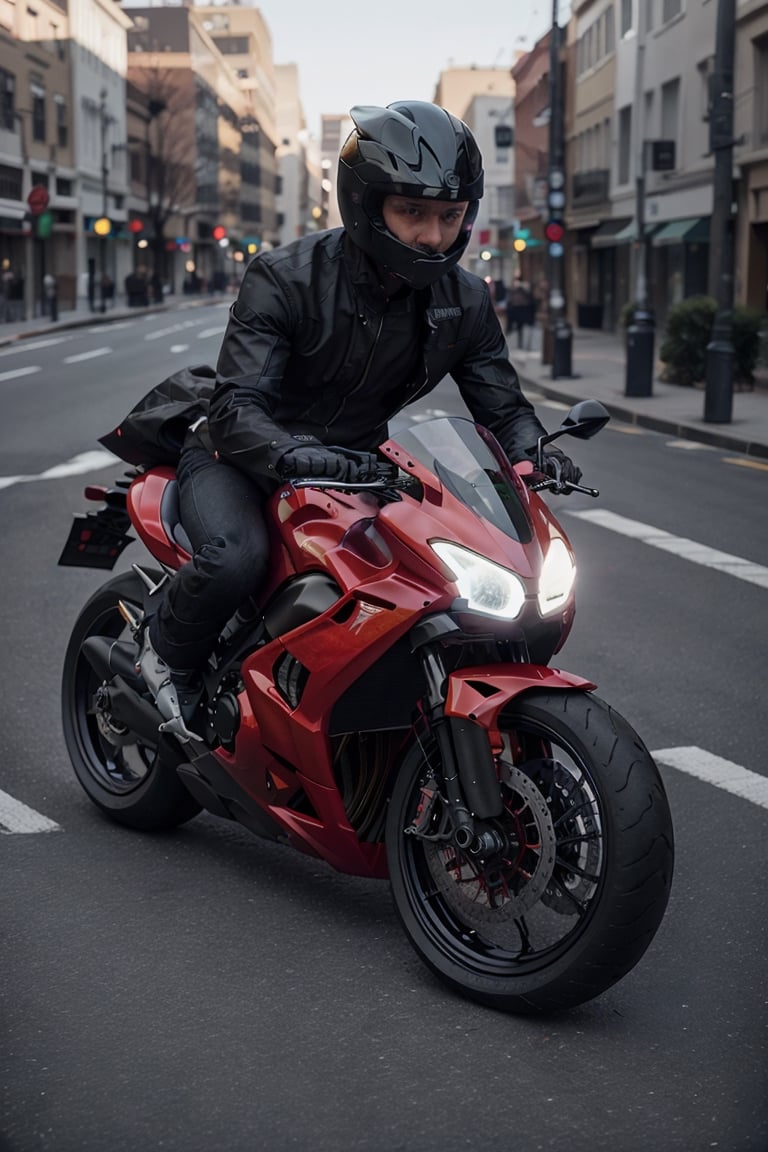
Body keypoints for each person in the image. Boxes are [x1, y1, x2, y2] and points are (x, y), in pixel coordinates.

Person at [137, 100, 582, 742]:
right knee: (238, 557)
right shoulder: (284, 279)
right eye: (414, 214)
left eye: (450, 216)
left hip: (360, 468)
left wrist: (535, 453)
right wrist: (297, 456)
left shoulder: (467, 301)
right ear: (367, 205)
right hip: (240, 459)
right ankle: (165, 652)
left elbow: (504, 409)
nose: (434, 236)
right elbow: (236, 410)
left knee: (429, 576)